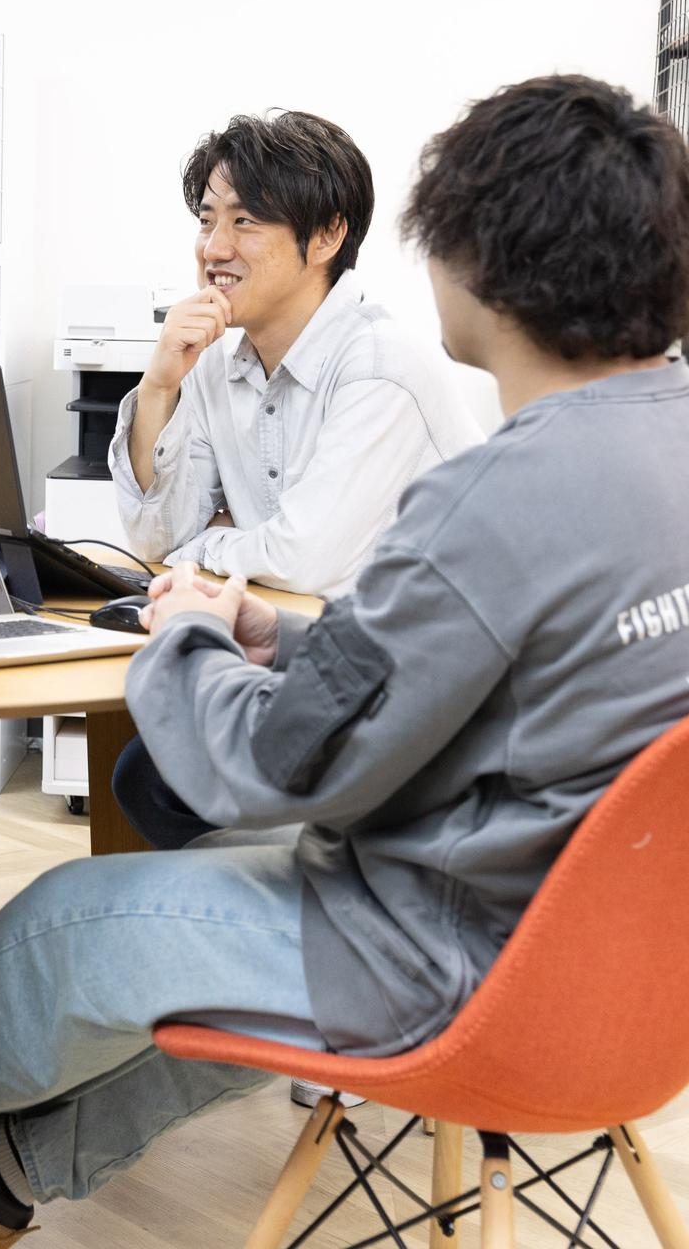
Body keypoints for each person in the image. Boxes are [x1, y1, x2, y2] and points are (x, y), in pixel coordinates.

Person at [0, 74, 689, 1249]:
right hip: (654, 971)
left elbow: (274, 766)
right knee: (213, 916)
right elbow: (497, 662)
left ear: (485, 262)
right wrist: (285, 636)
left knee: (62, 924)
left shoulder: (496, 495)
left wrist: (188, 635)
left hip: (463, 964)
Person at [110, 110, 487, 852]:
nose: (214, 248)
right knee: (149, 773)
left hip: (422, 691)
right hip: (312, 650)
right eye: (207, 219)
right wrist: (159, 387)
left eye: (245, 221)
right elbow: (155, 536)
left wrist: (204, 549)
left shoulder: (379, 364)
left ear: (327, 237)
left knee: (163, 773)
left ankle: (312, 890)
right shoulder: (215, 361)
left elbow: (305, 558)